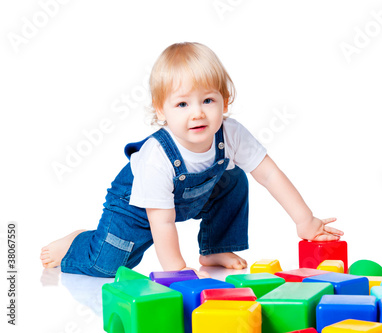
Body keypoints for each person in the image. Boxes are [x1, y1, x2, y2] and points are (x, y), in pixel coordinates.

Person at [40, 42, 343, 277]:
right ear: (161, 111)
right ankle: (79, 242)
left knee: (234, 177)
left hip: (189, 198)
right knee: (108, 266)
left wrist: (306, 221)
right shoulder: (156, 158)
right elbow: (162, 220)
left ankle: (214, 249)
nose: (197, 113)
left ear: (225, 101)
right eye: (182, 103)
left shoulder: (231, 133)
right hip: (136, 206)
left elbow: (270, 175)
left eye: (208, 100)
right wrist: (176, 269)